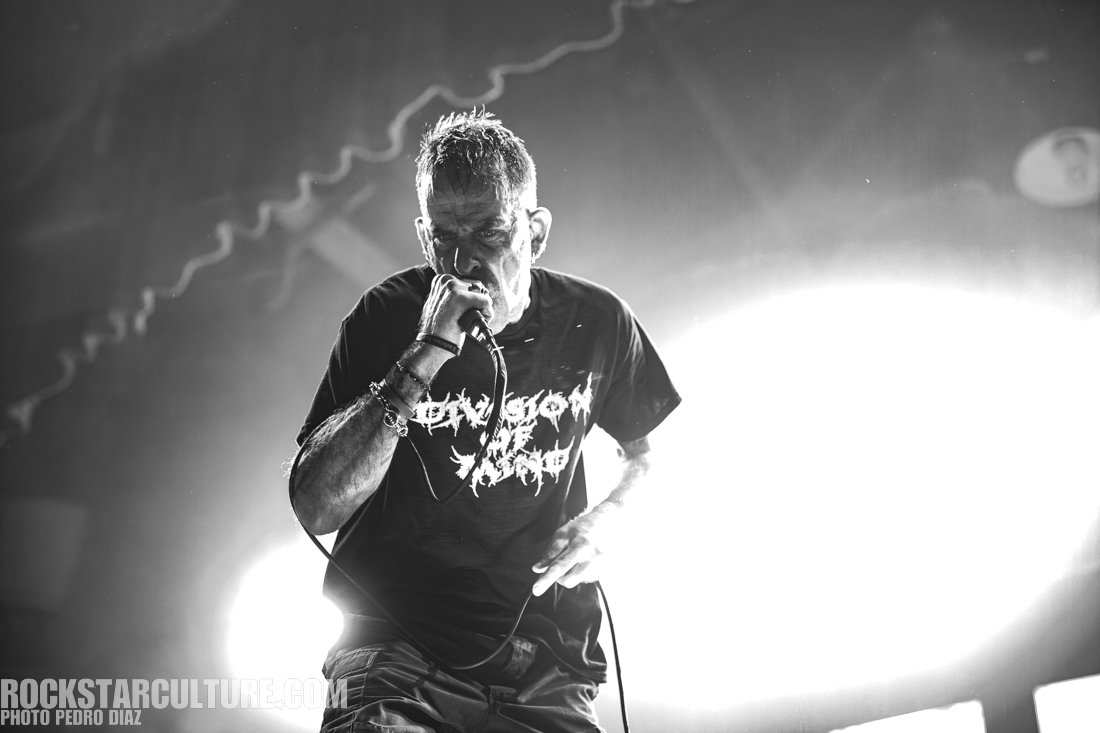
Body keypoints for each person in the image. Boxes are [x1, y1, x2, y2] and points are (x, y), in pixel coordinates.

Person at [291, 110, 680, 733]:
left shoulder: (599, 321)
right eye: (443, 236)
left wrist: (610, 518)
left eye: (490, 232)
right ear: (423, 236)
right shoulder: (385, 317)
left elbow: (651, 453)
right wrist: (425, 351)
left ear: (536, 230)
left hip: (546, 664)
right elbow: (317, 506)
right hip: (398, 650)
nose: (464, 259)